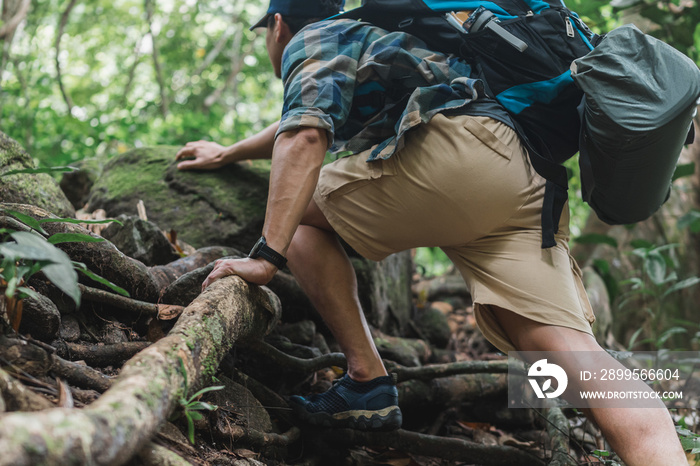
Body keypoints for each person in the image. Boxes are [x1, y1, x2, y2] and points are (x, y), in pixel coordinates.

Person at [175, 0, 688, 462]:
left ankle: (366, 380)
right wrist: (230, 151)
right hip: (529, 181)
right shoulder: (392, 31)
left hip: (466, 156)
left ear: (277, 27)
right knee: (576, 358)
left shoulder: (312, 39)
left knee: (298, 221)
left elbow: (306, 130)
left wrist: (266, 257)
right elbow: (304, 119)